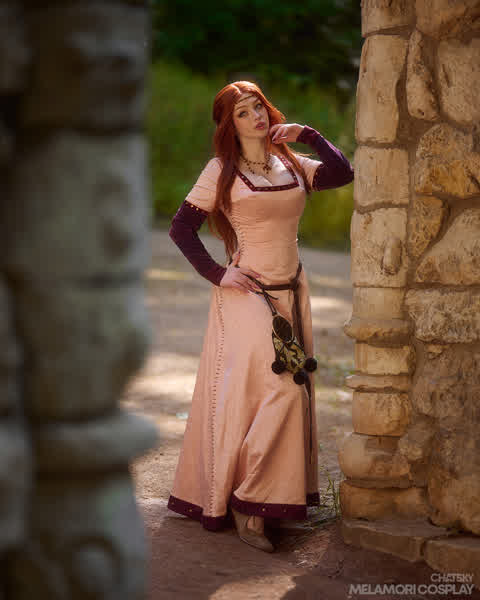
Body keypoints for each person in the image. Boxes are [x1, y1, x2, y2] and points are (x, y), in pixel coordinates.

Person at [167, 80, 354, 553]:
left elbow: (342, 173)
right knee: (282, 389)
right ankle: (248, 505)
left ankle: (266, 497)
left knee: (277, 392)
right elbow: (181, 228)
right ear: (229, 126)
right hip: (247, 295)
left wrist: (308, 134)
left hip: (292, 291)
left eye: (259, 107)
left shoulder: (289, 162)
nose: (256, 117)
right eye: (243, 112)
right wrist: (217, 273)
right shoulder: (221, 171)